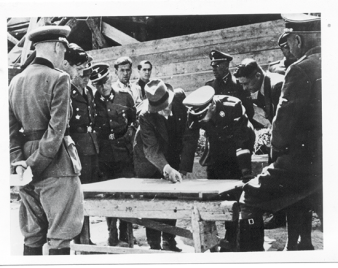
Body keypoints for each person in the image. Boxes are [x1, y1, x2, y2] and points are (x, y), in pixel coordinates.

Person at [236, 13, 322, 252]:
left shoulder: (299, 70)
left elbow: (282, 128)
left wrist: (277, 152)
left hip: (303, 160)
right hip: (324, 159)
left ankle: (251, 256)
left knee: (249, 198)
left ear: (297, 40)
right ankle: (301, 246)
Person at [9, 25, 84, 255]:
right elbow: (55, 132)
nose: (63, 56)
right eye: (62, 49)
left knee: (32, 234)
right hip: (56, 166)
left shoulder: (14, 82)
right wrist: (33, 165)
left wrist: (20, 163)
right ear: (57, 46)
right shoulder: (59, 78)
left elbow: (10, 131)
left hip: (26, 170)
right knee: (60, 236)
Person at [182, 85, 255, 251]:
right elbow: (190, 139)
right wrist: (183, 169)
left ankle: (232, 238)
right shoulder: (194, 111)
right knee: (212, 194)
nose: (202, 120)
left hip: (239, 146)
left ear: (212, 106)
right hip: (215, 148)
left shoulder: (232, 106)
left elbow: (242, 141)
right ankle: (211, 239)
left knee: (234, 194)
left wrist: (245, 172)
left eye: (204, 116)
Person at [133, 79, 199, 251]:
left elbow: (190, 135)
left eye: (166, 107)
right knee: (152, 201)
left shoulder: (181, 98)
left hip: (171, 153)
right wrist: (166, 168)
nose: (165, 112)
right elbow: (151, 149)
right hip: (148, 159)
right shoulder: (144, 115)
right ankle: (154, 244)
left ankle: (169, 240)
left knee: (172, 197)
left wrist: (183, 167)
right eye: (159, 110)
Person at [91, 63, 137, 247]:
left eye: (105, 82)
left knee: (125, 195)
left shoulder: (125, 98)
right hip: (105, 156)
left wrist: (128, 139)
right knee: (109, 196)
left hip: (124, 154)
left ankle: (127, 234)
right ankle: (112, 233)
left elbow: (134, 121)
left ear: (110, 79)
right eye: (98, 84)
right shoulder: (92, 103)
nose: (103, 87)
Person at [65, 44, 99, 245]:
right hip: (77, 147)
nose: (87, 76)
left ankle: (86, 236)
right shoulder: (68, 90)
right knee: (78, 195)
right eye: (83, 72)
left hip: (91, 146)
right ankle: (80, 237)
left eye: (89, 72)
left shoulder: (88, 91)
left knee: (87, 194)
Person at [234, 58, 284, 129]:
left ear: (258, 76)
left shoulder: (277, 86)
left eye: (246, 83)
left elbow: (283, 122)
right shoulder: (263, 86)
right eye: (242, 84)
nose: (244, 88)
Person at [205, 50, 254, 123]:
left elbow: (249, 111)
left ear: (226, 66)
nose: (214, 69)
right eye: (213, 66)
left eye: (217, 66)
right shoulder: (210, 87)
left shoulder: (240, 85)